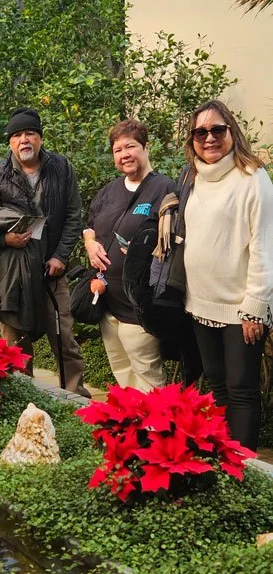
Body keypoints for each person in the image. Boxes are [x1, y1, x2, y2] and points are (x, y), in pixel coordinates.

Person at [0, 107, 90, 398]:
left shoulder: (61, 168)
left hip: (53, 271)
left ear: (40, 138)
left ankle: (75, 399)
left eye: (29, 133)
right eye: (16, 135)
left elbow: (73, 216)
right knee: (15, 343)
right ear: (10, 143)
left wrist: (61, 256)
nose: (23, 140)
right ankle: (22, 399)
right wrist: (5, 239)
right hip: (13, 274)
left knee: (65, 339)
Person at [182, 99, 273, 451]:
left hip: (240, 309)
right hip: (200, 303)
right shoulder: (192, 177)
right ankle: (224, 461)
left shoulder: (252, 178)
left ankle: (245, 468)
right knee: (218, 387)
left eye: (217, 130)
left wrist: (255, 306)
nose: (209, 138)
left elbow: (264, 245)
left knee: (241, 390)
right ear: (192, 139)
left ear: (232, 132)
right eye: (200, 132)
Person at [83, 119, 176, 391]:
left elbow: (174, 240)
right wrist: (90, 243)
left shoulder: (164, 189)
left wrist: (143, 251)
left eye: (130, 146)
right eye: (117, 150)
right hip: (108, 302)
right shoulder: (109, 191)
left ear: (146, 148)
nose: (124, 154)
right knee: (122, 372)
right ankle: (129, 418)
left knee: (147, 376)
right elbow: (89, 225)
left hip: (139, 306)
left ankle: (155, 419)